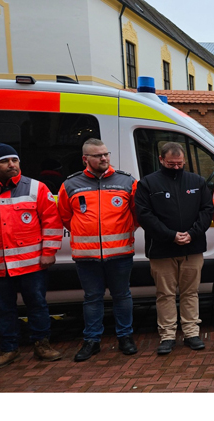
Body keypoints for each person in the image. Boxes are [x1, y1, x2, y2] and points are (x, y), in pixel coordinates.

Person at [0, 143, 63, 369]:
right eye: (4, 161)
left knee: (38, 305)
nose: (11, 165)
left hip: (32, 264)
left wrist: (49, 252)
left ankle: (42, 344)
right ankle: (9, 349)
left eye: (14, 160)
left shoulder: (36, 188)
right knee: (3, 309)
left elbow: (52, 222)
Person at [58, 138, 138, 361]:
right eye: (98, 155)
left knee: (122, 296)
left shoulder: (126, 181)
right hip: (87, 256)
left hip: (120, 253)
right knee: (92, 299)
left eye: (106, 154)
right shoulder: (70, 185)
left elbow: (136, 214)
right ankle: (92, 341)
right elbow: (66, 217)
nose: (104, 158)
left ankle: (125, 337)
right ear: (85, 159)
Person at [135, 142, 214, 355]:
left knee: (190, 293)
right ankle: (167, 335)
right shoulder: (148, 184)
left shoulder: (197, 182)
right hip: (161, 249)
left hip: (192, 247)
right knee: (165, 294)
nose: (176, 168)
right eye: (171, 163)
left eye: (179, 164)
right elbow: (144, 215)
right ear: (161, 160)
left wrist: (192, 233)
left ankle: (191, 333)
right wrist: (170, 236)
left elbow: (207, 210)